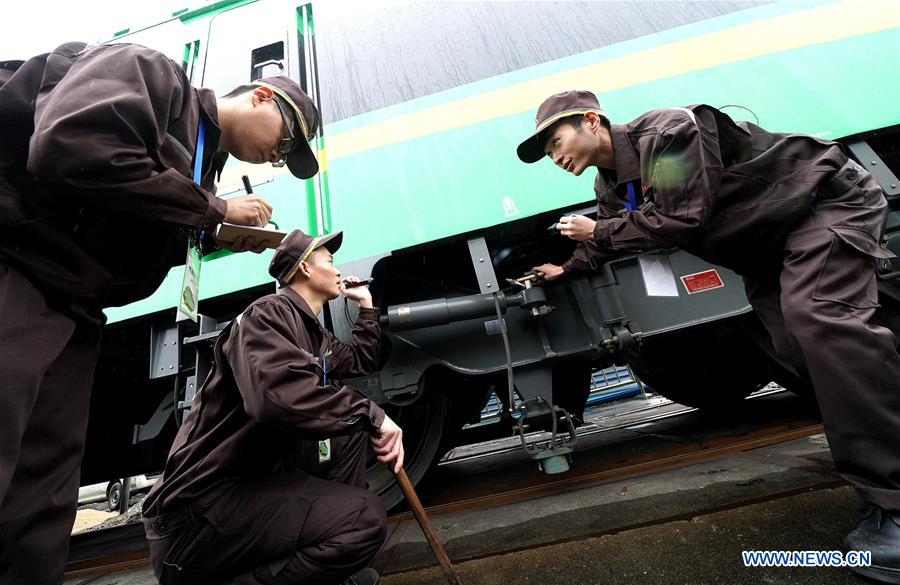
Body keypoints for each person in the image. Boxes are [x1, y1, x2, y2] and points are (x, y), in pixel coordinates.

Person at [518, 90, 900, 583]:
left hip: (819, 207)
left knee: (820, 323)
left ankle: (893, 498)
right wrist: (565, 268)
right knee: (796, 347)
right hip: (769, 243)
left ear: (592, 121)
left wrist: (596, 233)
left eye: (556, 140)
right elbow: (617, 233)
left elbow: (678, 219)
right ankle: (881, 482)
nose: (555, 156)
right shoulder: (612, 186)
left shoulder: (665, 137)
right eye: (548, 153)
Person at [0, 40, 321, 584]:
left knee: (43, 497)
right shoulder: (155, 75)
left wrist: (216, 233)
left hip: (77, 308)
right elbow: (67, 144)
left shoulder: (203, 169)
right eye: (286, 141)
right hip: (17, 271)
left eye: (287, 159)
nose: (279, 158)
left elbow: (127, 220)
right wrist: (212, 210)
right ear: (263, 95)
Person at [141, 228, 400, 585]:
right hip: (197, 516)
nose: (338, 269)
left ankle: (333, 545)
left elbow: (360, 360)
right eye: (329, 259)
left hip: (239, 492)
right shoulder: (265, 316)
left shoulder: (312, 333)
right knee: (365, 519)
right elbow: (276, 399)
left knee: (347, 436)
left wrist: (366, 306)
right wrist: (375, 416)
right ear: (305, 270)